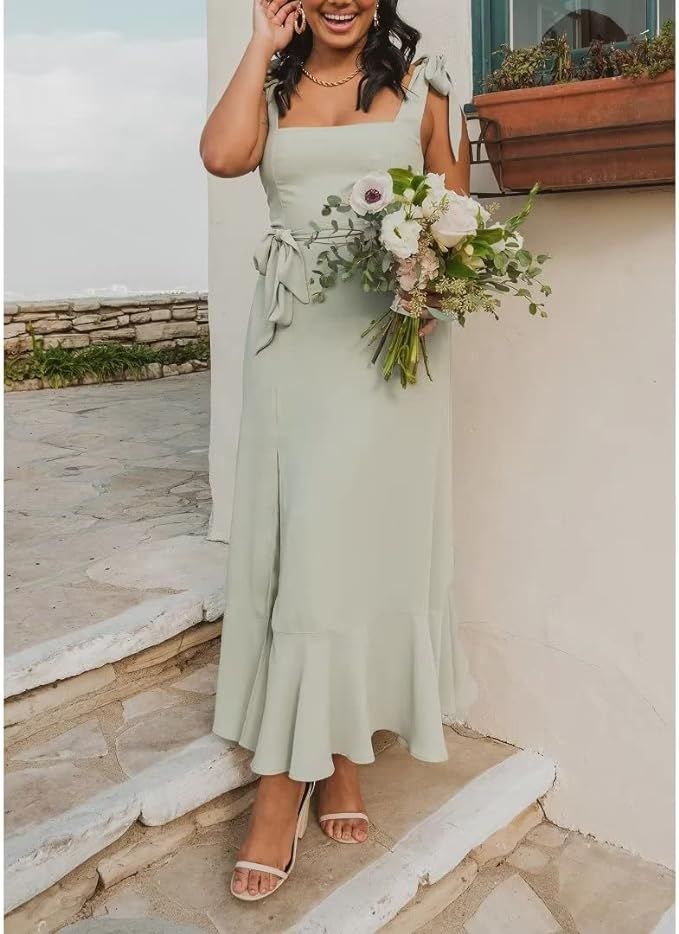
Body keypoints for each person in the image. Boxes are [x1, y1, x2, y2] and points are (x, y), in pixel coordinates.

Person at [200, 0, 473, 902]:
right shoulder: (270, 85)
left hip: (386, 344)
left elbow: (456, 213)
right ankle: (317, 769)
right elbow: (222, 158)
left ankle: (307, 774)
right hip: (293, 344)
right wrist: (258, 47)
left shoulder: (424, 88)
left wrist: (429, 290)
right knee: (309, 549)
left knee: (350, 552)